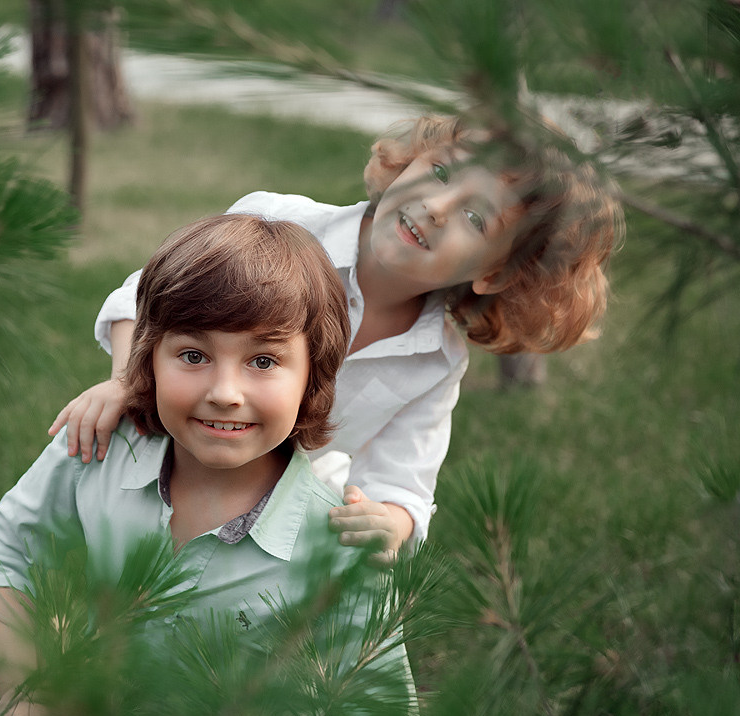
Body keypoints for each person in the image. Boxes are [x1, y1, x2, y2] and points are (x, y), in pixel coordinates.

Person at [50, 113, 623, 563]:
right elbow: (142, 297)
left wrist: (389, 522)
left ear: (495, 274)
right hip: (165, 448)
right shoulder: (286, 227)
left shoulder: (435, 361)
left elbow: (405, 484)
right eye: (442, 172)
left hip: (270, 516)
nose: (437, 206)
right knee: (94, 574)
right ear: (408, 165)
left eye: (478, 219)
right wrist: (126, 382)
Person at [0, 214, 412, 716]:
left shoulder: (340, 545)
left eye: (263, 361)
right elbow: (2, 551)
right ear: (147, 357)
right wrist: (24, 690)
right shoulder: (98, 451)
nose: (225, 393)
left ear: (314, 375)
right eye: (193, 356)